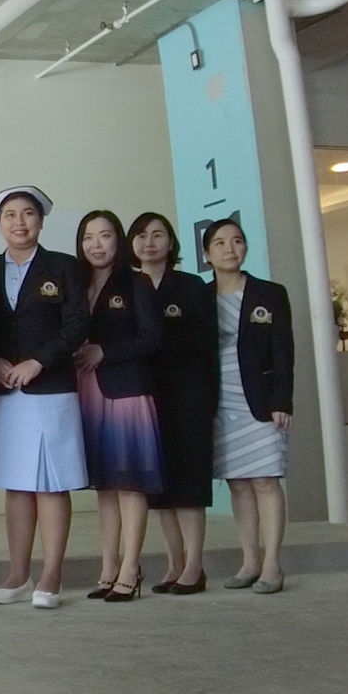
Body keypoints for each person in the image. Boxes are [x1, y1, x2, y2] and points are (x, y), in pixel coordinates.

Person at [0, 187, 90, 610]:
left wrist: (38, 361)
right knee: (17, 483)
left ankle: (51, 574)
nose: (19, 222)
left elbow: (77, 322)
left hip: (49, 387)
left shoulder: (62, 266)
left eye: (28, 214)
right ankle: (18, 573)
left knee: (51, 482)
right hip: (3, 389)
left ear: (41, 221)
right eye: (10, 215)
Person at [74, 210, 164, 603]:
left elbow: (153, 337)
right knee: (105, 485)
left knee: (130, 482)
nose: (96, 245)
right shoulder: (75, 284)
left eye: (105, 236)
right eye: (88, 237)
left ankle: (131, 567)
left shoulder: (136, 282)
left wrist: (105, 351)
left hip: (126, 391)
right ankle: (108, 567)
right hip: (88, 390)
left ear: (119, 241)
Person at [129, 212, 218, 594]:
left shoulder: (190, 286)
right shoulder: (128, 286)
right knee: (160, 488)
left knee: (188, 484)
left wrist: (154, 340)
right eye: (141, 235)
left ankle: (195, 565)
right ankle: (174, 563)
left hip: (187, 396)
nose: (149, 242)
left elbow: (204, 341)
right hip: (145, 397)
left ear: (171, 242)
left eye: (158, 235)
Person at [205, 219, 295, 595]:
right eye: (220, 243)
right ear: (207, 254)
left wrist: (282, 399)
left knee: (265, 481)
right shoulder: (201, 297)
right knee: (239, 484)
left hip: (260, 400)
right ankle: (249, 560)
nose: (230, 248)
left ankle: (272, 563)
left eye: (237, 241)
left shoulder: (269, 294)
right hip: (220, 402)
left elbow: (283, 351)